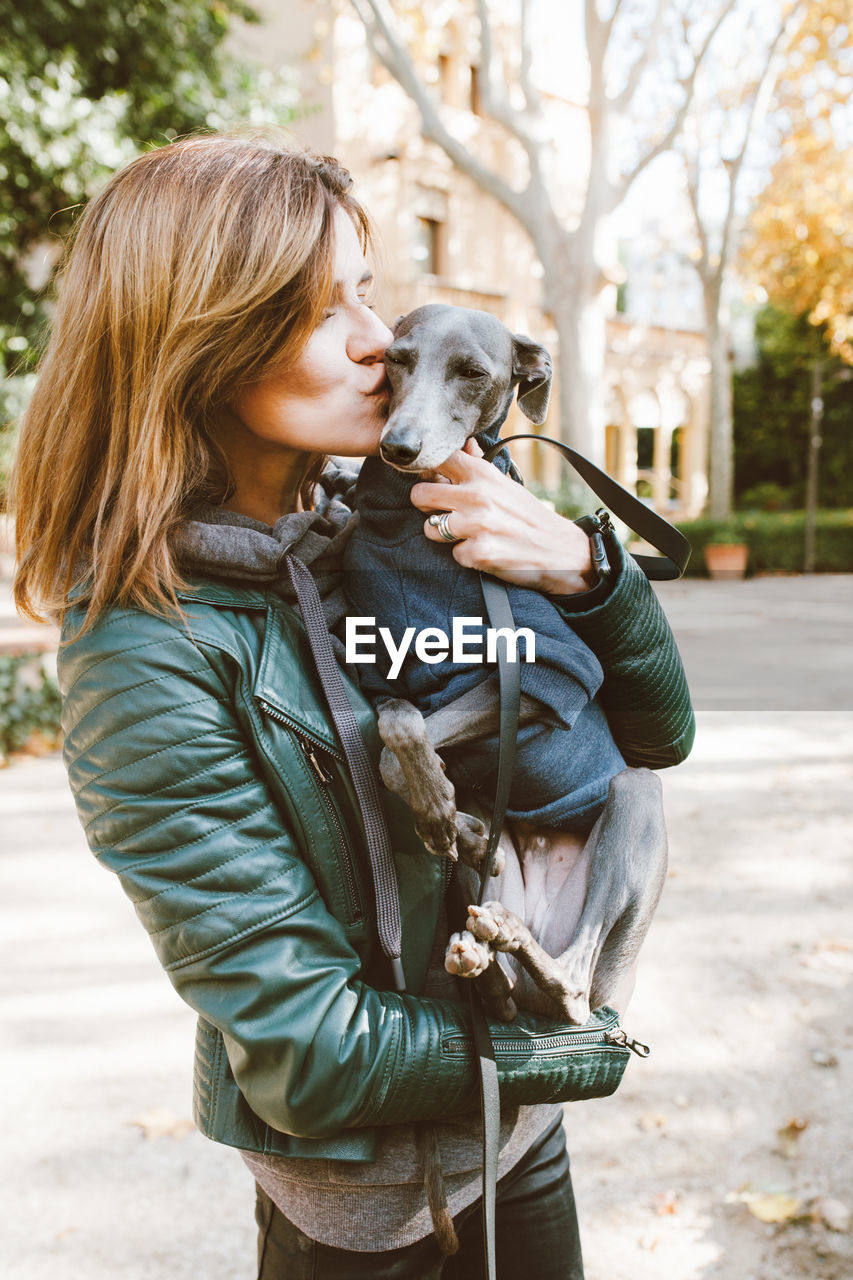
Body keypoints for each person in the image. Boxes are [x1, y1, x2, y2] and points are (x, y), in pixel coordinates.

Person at [12, 128, 695, 1279]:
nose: (383, 343)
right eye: (328, 311)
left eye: (368, 289)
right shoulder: (142, 648)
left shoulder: (393, 510)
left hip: (518, 1138)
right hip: (366, 1206)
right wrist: (578, 1042)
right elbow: (311, 1050)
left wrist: (590, 573)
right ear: (206, 345)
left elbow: (653, 736)